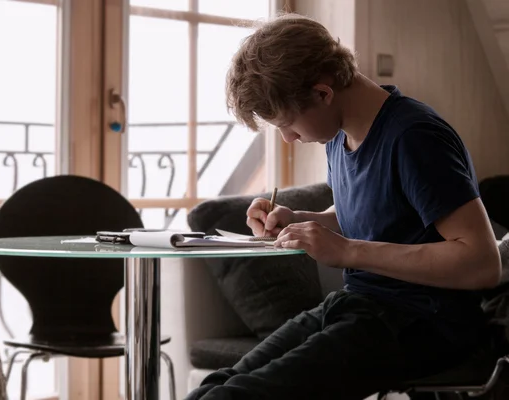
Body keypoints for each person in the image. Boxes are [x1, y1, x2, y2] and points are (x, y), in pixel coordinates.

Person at [185, 13, 502, 400]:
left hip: (426, 322)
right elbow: (374, 212)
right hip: (361, 306)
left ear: (323, 93)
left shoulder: (415, 138)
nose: (287, 139)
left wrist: (348, 251)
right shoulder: (339, 135)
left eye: (288, 124)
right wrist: (300, 219)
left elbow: (482, 262)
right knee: (213, 388)